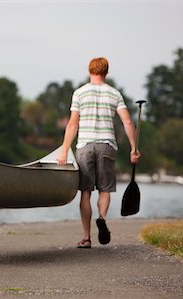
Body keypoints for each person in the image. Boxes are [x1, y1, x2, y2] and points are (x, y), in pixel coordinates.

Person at [57, 57, 140, 249]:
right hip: (106, 146)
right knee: (104, 189)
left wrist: (64, 150)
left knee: (85, 193)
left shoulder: (79, 93)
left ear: (89, 71)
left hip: (85, 146)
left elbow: (73, 123)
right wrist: (134, 147)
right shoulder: (114, 94)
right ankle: (102, 218)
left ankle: (86, 238)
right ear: (106, 72)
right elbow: (127, 122)